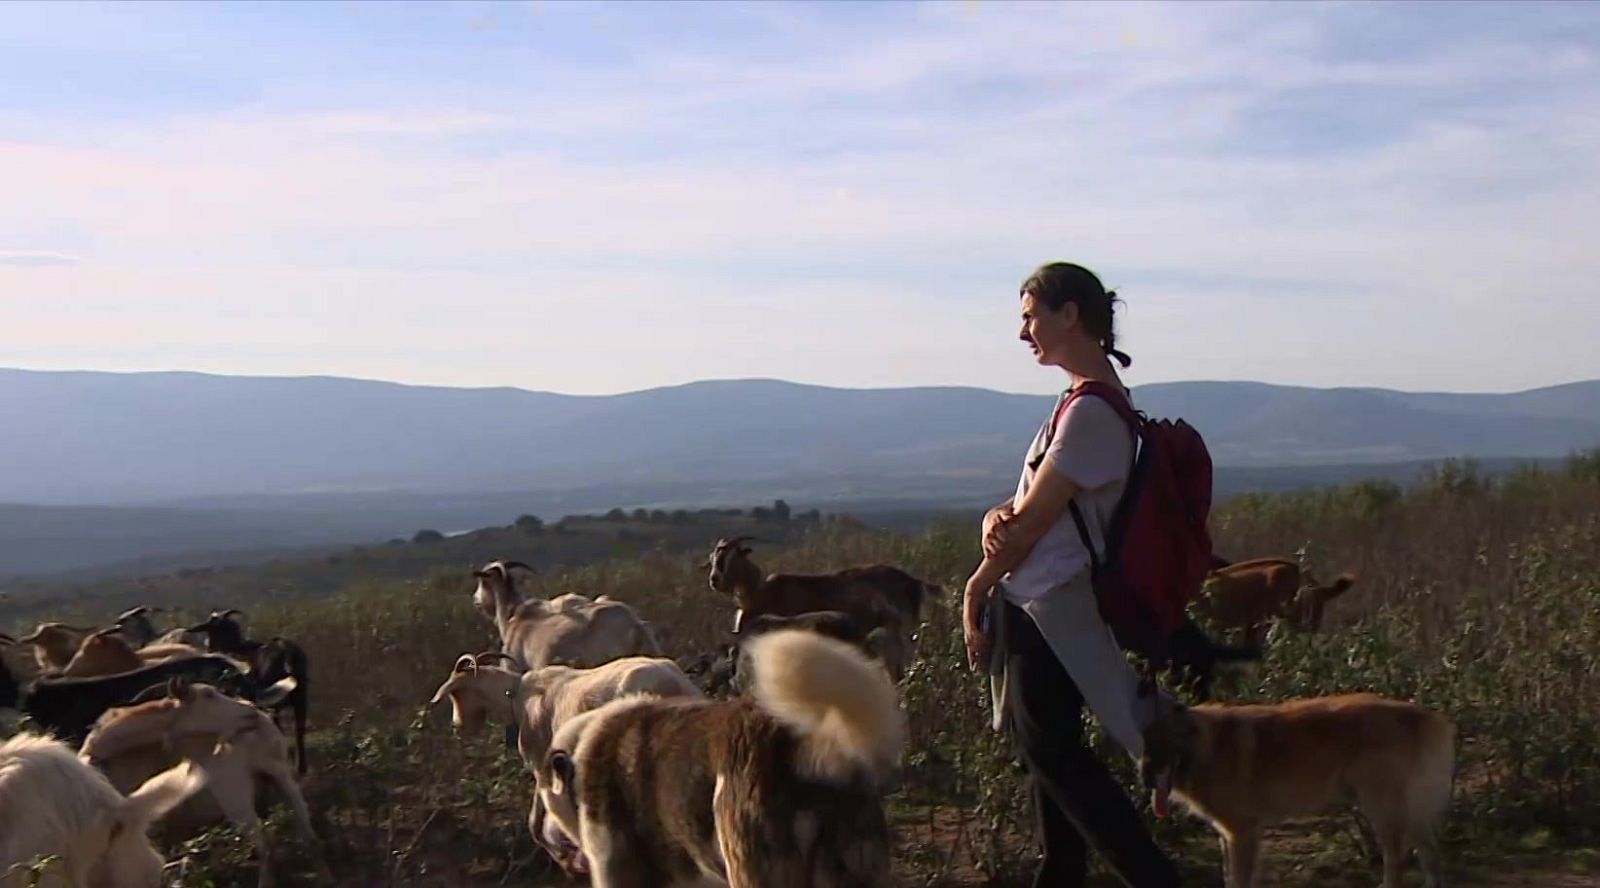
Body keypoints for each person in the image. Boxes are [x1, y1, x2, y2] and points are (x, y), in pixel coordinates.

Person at [962, 261, 1182, 888]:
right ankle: (1061, 873)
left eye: (1031, 316)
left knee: (1052, 752)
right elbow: (1023, 510)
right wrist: (993, 516)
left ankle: (1154, 878)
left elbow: (1031, 526)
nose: (1024, 332)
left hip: (1050, 604)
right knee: (1047, 749)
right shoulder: (1080, 404)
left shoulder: (1090, 413)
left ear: (1070, 315)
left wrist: (976, 587)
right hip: (1038, 601)